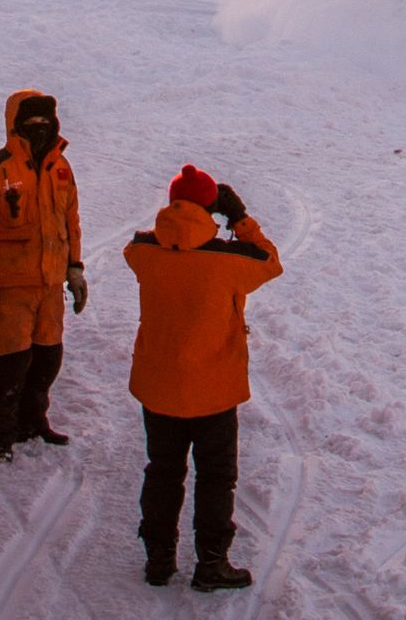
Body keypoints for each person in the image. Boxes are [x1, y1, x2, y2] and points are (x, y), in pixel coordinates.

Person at [124, 165, 283, 591]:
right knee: (214, 476)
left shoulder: (143, 252)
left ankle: (158, 559)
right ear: (210, 207)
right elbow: (270, 262)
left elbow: (135, 245)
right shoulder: (227, 260)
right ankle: (211, 562)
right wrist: (240, 220)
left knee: (162, 471)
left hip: (158, 387)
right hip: (213, 389)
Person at [0, 89, 85, 460]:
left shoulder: (61, 167)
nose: (39, 128)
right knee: (9, 364)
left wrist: (75, 270)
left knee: (47, 359)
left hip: (50, 286)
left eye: (45, 121)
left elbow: (72, 221)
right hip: (9, 287)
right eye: (30, 122)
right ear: (14, 125)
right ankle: (1, 433)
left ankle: (34, 421)